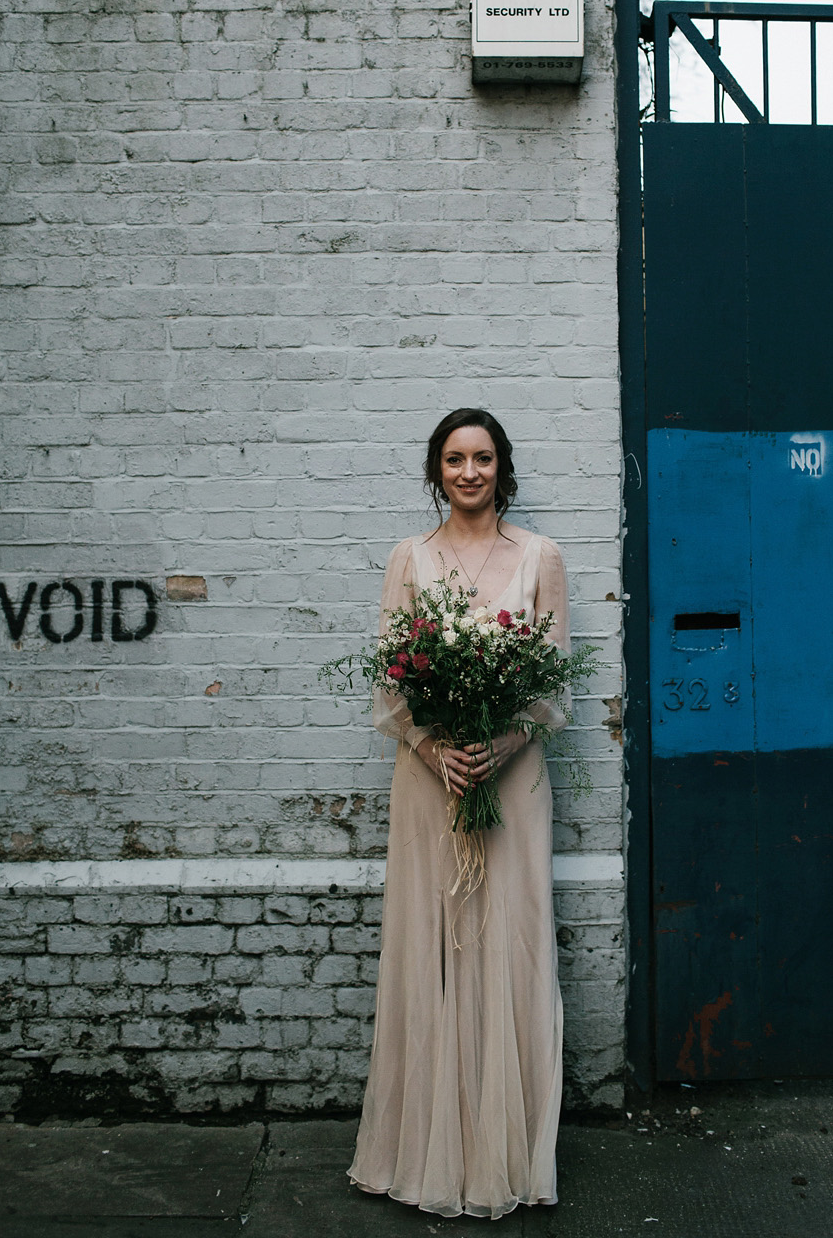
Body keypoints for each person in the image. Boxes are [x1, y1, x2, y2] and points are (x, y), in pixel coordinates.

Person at [348, 407, 571, 1220]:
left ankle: (506, 1159)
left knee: (508, 943)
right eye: (454, 459)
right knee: (433, 948)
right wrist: (438, 749)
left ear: (501, 466)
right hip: (430, 779)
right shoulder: (410, 558)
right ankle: (427, 1154)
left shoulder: (541, 557)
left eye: (482, 458)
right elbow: (391, 687)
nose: (469, 472)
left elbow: (554, 687)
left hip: (510, 779)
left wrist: (501, 746)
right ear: (436, 470)